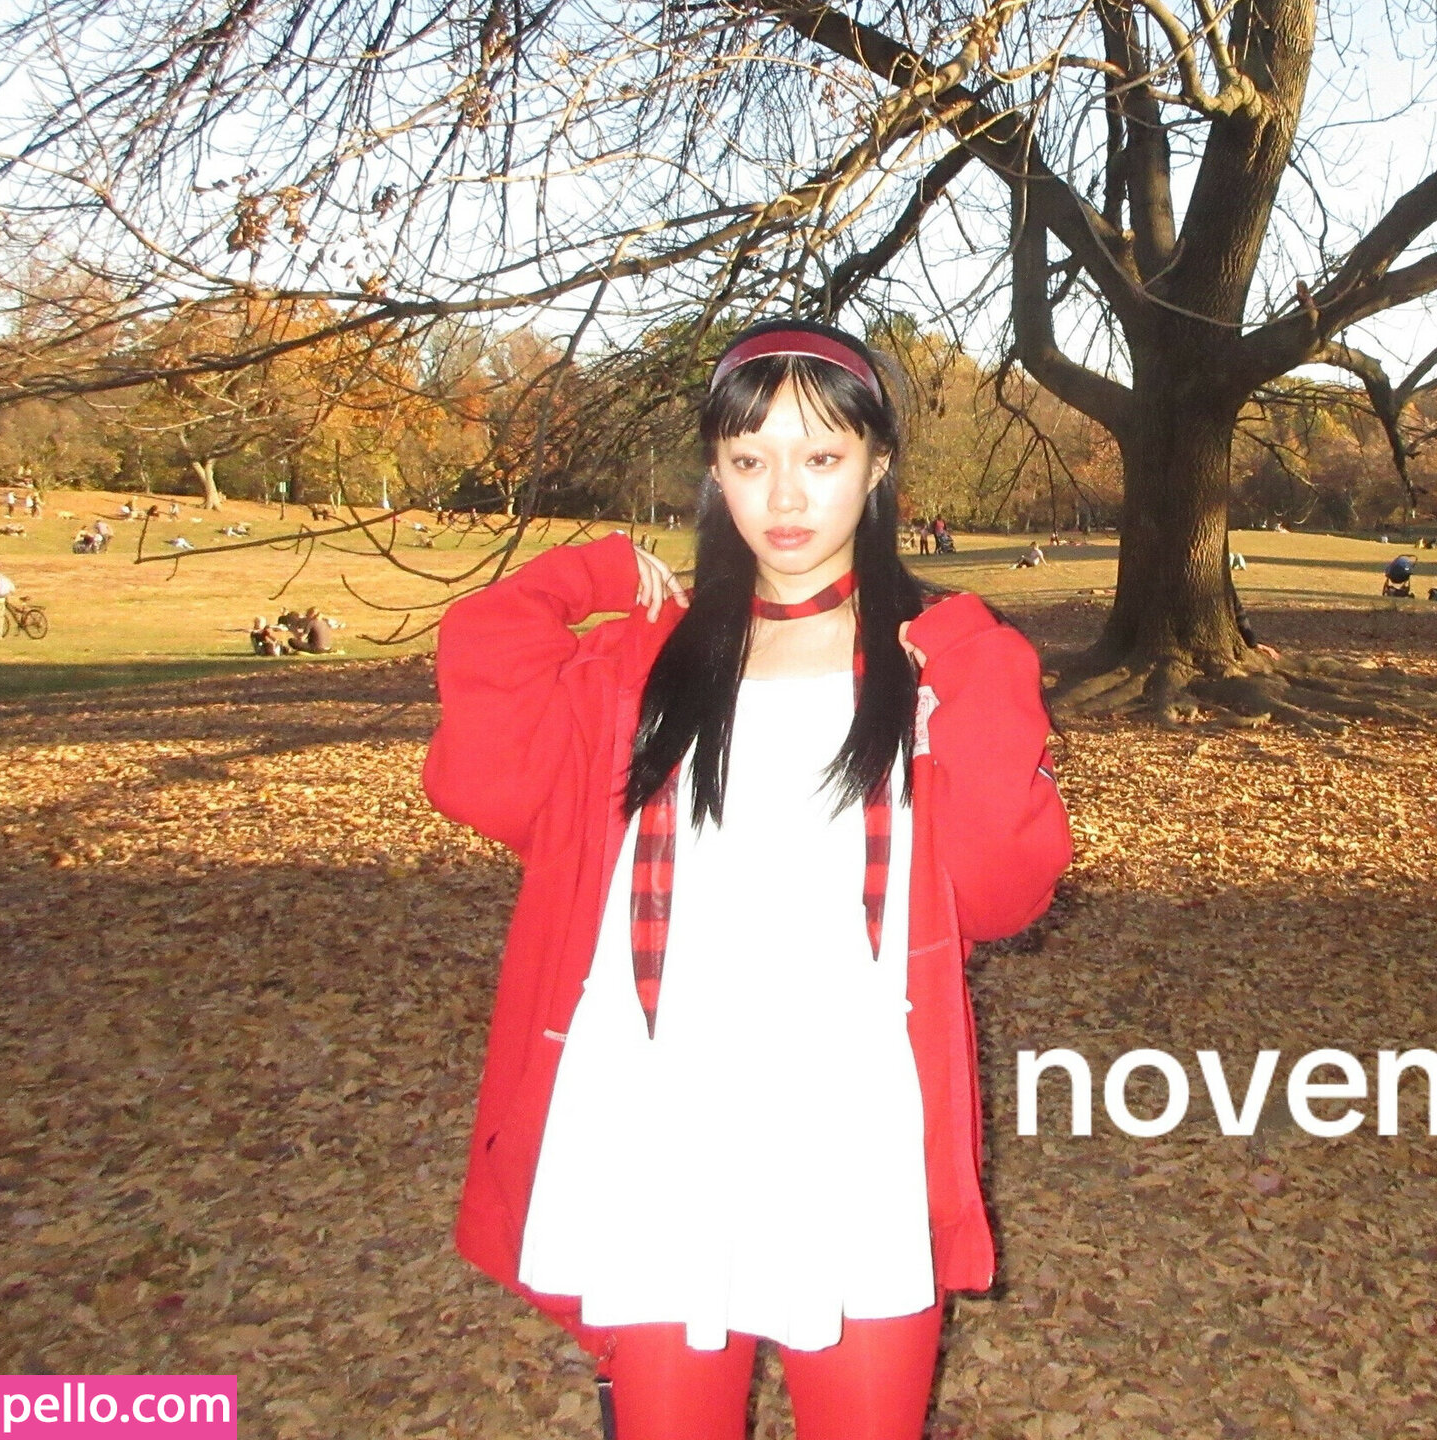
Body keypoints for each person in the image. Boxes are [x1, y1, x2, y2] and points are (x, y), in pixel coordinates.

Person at [422, 317, 1071, 1440]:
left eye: (820, 456)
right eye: (748, 458)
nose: (785, 495)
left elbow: (1005, 891)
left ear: (877, 466)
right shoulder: (644, 663)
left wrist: (978, 674)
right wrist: (582, 574)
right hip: (662, 1108)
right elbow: (479, 765)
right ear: (714, 474)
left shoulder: (928, 666)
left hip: (853, 1114)